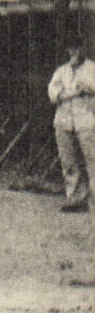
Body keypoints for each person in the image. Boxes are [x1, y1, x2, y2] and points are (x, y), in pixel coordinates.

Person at [48, 35, 95, 213]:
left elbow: (90, 86)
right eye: (71, 48)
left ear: (83, 48)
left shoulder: (91, 68)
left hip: (86, 120)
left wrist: (79, 89)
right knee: (69, 162)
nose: (74, 52)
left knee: (92, 162)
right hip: (64, 120)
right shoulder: (62, 71)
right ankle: (74, 199)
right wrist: (72, 93)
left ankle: (93, 202)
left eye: (78, 48)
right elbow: (53, 92)